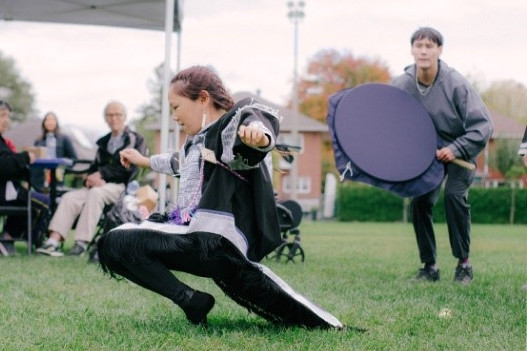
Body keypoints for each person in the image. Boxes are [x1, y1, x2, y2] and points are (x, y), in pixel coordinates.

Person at [97, 66, 342, 329]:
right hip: (204, 244)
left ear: (203, 99)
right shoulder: (196, 142)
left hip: (215, 241)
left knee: (115, 240)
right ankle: (192, 301)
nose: (175, 116)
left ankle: (190, 300)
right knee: (111, 245)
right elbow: (178, 162)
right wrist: (144, 160)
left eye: (176, 107)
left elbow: (254, 121)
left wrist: (259, 138)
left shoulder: (229, 127)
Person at [392, 27, 493, 284]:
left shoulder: (456, 83)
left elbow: (483, 126)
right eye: (419, 46)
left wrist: (455, 149)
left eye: (430, 46)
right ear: (412, 50)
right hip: (429, 153)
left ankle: (464, 264)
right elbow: (392, 123)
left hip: (461, 150)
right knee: (421, 201)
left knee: (454, 198)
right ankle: (429, 266)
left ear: (439, 50)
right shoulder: (402, 84)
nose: (424, 51)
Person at [36, 100, 146, 257]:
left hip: (120, 186)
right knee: (69, 197)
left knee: (96, 194)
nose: (113, 118)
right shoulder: (103, 142)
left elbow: (129, 167)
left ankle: (81, 243)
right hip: (97, 185)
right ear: (105, 118)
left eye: (117, 114)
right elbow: (94, 167)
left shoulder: (135, 139)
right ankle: (53, 242)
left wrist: (102, 175)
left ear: (125, 117)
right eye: (109, 115)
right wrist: (88, 179)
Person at [0, 101, 50, 248]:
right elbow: (3, 166)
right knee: (43, 202)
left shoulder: (3, 141)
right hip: (5, 193)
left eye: (8, 116)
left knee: (31, 198)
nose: (7, 120)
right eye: (2, 115)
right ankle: (37, 244)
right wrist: (25, 157)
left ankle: (8, 236)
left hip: (8, 190)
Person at [31, 111, 78, 191]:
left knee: (55, 198)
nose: (50, 122)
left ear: (56, 122)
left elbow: (74, 159)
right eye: (47, 120)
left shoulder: (64, 139)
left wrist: (62, 167)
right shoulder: (38, 141)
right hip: (40, 177)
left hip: (57, 176)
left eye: (52, 120)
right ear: (44, 123)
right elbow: (34, 159)